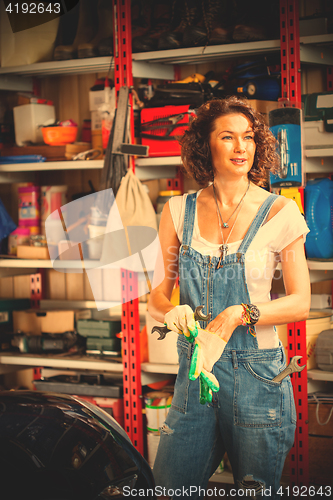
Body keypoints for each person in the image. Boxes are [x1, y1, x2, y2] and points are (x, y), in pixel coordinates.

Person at [147, 96, 310, 499]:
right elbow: (155, 296)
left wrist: (239, 313)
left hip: (258, 378)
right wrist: (173, 312)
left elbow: (300, 302)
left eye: (249, 138)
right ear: (206, 145)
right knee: (168, 489)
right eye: (228, 137)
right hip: (195, 376)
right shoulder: (176, 211)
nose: (241, 148)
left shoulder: (280, 212)